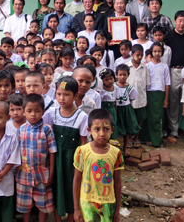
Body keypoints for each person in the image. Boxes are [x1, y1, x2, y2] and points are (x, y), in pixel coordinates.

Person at [43, 76, 88, 222]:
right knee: (56, 188)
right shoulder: (52, 113)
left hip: (72, 161)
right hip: (55, 159)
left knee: (70, 188)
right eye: (59, 94)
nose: (62, 98)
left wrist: (81, 165)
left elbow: (83, 142)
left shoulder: (81, 117)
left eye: (66, 94)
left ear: (75, 96)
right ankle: (57, 218)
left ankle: (71, 218)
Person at [73, 109, 123, 222]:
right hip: (87, 203)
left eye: (106, 129)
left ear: (112, 130)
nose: (101, 133)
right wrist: (76, 208)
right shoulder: (82, 151)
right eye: (97, 129)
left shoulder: (116, 153)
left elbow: (118, 181)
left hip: (108, 203)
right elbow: (76, 180)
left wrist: (117, 210)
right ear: (89, 130)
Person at [16, 94, 57, 222]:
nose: (33, 114)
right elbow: (16, 152)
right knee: (26, 203)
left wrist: (51, 172)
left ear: (43, 112)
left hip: (42, 174)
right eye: (29, 111)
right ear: (24, 112)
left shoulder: (47, 130)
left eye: (37, 111)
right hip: (24, 174)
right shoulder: (21, 130)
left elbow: (52, 152)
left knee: (42, 203)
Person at [142, 43, 170, 147]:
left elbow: (167, 83)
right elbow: (144, 82)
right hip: (149, 92)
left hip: (160, 94)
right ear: (151, 52)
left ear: (162, 53)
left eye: (159, 51)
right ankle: (146, 138)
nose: (157, 53)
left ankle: (157, 140)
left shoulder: (165, 66)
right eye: (155, 51)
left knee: (158, 117)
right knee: (148, 117)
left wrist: (166, 99)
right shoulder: (147, 66)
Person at [126, 44, 150, 148]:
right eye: (137, 55)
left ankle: (136, 137)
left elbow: (147, 83)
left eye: (141, 55)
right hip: (129, 99)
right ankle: (129, 138)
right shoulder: (126, 67)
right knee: (130, 119)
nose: (139, 57)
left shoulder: (144, 67)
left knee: (140, 119)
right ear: (132, 55)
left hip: (141, 98)